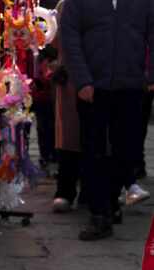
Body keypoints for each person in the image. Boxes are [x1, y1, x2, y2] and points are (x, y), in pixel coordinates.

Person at [61, 0, 154, 240]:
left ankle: (111, 202)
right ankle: (99, 214)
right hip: (93, 88)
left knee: (126, 150)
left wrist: (149, 76)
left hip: (131, 86)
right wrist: (82, 80)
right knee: (94, 150)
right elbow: (70, 38)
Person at [51, 0, 83, 213]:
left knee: (90, 137)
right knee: (70, 137)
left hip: (96, 77)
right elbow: (54, 40)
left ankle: (74, 191)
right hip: (70, 77)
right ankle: (66, 190)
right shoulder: (65, 5)